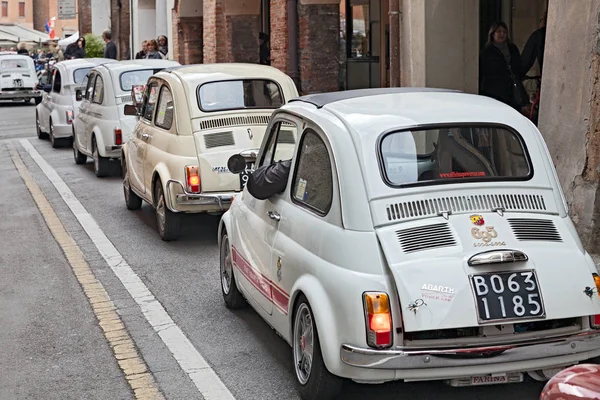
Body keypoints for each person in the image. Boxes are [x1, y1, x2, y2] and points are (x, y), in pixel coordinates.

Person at [479, 21, 529, 114]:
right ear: (492, 34)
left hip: (512, 92)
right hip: (494, 93)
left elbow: (517, 70)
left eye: (504, 32)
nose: (502, 34)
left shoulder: (512, 48)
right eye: (499, 31)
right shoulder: (486, 52)